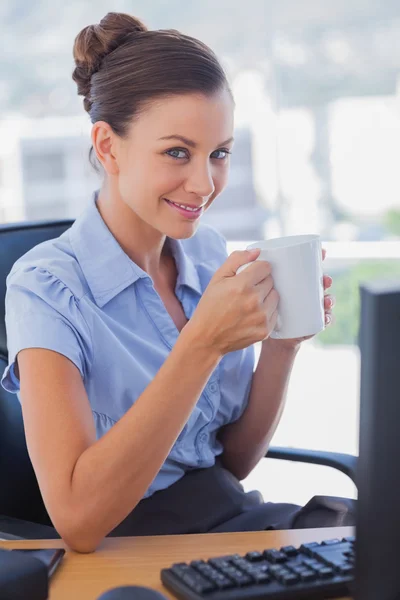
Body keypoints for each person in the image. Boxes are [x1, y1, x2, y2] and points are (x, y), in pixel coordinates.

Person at [1, 12, 348, 554]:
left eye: (220, 154)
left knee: (372, 546)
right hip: (132, 547)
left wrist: (281, 345)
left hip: (230, 517)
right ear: (109, 146)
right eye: (177, 153)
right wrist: (202, 343)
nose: (205, 183)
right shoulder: (45, 287)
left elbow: (230, 462)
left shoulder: (208, 253)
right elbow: (79, 521)